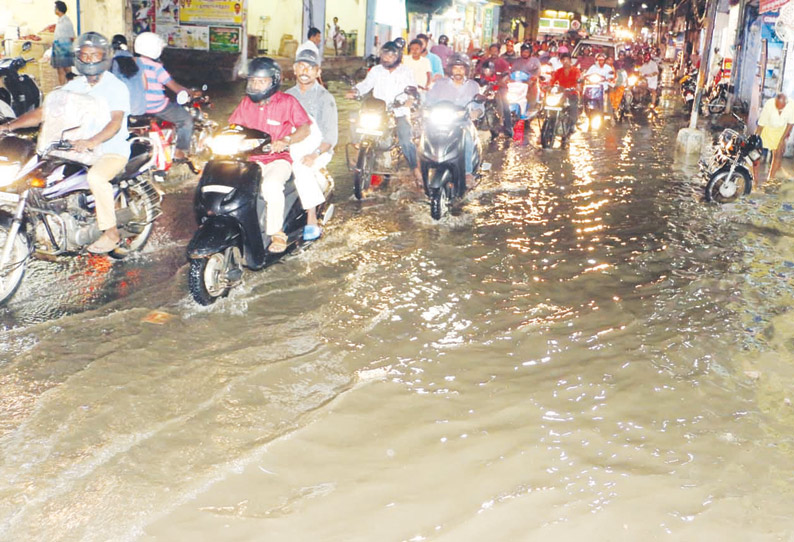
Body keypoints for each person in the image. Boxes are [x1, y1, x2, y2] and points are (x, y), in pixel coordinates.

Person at [2, 32, 130, 254]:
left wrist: (92, 141)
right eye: (84, 55)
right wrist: (9, 126)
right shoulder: (74, 86)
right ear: (78, 57)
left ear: (105, 56)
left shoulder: (115, 87)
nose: (89, 59)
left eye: (95, 54)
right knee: (34, 174)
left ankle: (111, 233)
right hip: (71, 149)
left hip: (109, 150)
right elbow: (44, 112)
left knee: (96, 177)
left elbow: (115, 123)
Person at [228, 57, 312, 253]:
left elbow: (305, 128)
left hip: (277, 159)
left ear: (273, 81)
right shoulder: (246, 103)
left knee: (271, 186)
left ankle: (277, 232)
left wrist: (286, 141)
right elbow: (232, 127)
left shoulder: (287, 102)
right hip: (248, 160)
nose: (256, 85)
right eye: (253, 81)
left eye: (262, 81)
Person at [346, 41, 421, 184]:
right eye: (384, 54)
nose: (387, 58)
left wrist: (409, 99)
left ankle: (415, 168)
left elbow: (412, 89)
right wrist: (355, 91)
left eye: (391, 55)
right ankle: (358, 151)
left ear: (398, 56)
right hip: (378, 110)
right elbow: (366, 85)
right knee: (354, 119)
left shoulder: (406, 71)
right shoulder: (376, 70)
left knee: (405, 138)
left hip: (398, 111)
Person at [285, 49, 338, 241]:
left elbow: (331, 138)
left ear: (318, 72)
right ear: (294, 69)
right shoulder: (287, 96)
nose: (305, 70)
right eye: (301, 66)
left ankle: (311, 218)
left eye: (310, 67)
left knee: (301, 167)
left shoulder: (325, 99)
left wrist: (314, 154)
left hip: (318, 148)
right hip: (292, 143)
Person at [134, 32, 197, 160]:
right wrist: (189, 92)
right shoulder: (156, 67)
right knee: (186, 120)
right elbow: (174, 87)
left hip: (135, 107)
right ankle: (180, 151)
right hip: (156, 107)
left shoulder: (131, 63)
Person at [425, 53, 483, 185]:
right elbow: (429, 99)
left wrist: (476, 112)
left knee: (467, 137)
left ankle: (467, 172)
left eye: (461, 68)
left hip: (462, 122)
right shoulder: (440, 84)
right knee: (423, 135)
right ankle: (421, 171)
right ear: (450, 69)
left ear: (466, 70)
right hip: (440, 121)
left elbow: (479, 105)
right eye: (455, 68)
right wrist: (422, 107)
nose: (458, 71)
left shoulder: (473, 85)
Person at [754, 93, 794, 189]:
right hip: (767, 129)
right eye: (777, 107)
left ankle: (770, 179)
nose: (779, 110)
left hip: (781, 130)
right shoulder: (769, 104)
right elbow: (760, 126)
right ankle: (755, 181)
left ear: (786, 103)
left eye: (781, 108)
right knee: (756, 155)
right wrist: (755, 140)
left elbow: (790, 124)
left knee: (778, 154)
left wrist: (782, 140)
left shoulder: (791, 106)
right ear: (775, 102)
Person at [110, 35, 147, 116]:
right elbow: (145, 86)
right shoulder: (138, 60)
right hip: (140, 109)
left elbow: (113, 88)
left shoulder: (113, 63)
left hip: (123, 112)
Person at [551, 53, 582, 136]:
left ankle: (572, 125)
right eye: (563, 60)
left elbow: (578, 80)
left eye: (567, 60)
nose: (565, 62)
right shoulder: (559, 71)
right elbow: (552, 81)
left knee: (573, 109)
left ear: (570, 60)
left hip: (572, 94)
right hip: (561, 94)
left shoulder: (576, 70)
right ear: (561, 61)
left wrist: (577, 86)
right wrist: (548, 86)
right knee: (552, 108)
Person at [51, 1, 76, 86]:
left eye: (55, 8)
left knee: (66, 70)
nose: (54, 10)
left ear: (58, 9)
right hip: (58, 49)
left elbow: (72, 36)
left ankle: (70, 86)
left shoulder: (66, 21)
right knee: (60, 70)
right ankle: (62, 86)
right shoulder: (60, 20)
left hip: (64, 49)